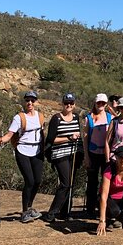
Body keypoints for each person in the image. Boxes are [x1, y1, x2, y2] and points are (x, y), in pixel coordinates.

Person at [0, 91, 46, 223]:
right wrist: (0, 140)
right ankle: (24, 212)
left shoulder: (40, 117)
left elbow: (42, 134)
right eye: (27, 100)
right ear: (24, 102)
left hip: (37, 151)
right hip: (23, 151)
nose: (30, 103)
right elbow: (9, 135)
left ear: (36, 102)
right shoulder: (19, 118)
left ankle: (30, 207)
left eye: (32, 100)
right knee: (29, 181)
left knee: (38, 180)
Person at [43, 93, 82, 222]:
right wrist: (68, 138)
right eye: (66, 103)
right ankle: (52, 212)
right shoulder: (56, 119)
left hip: (74, 153)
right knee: (65, 183)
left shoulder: (76, 117)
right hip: (60, 154)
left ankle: (65, 212)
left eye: (71, 103)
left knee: (70, 183)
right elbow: (51, 139)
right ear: (62, 104)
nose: (69, 105)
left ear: (74, 104)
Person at [82, 93, 114, 217]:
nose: (100, 105)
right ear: (95, 103)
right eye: (98, 103)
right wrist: (86, 156)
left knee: (106, 182)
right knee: (92, 183)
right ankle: (90, 210)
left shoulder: (110, 117)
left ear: (106, 104)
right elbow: (85, 138)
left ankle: (105, 209)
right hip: (93, 153)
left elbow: (120, 122)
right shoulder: (88, 118)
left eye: (103, 103)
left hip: (106, 154)